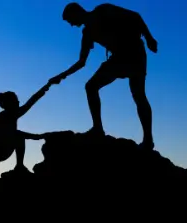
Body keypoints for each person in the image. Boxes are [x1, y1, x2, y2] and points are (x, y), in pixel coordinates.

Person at [49, 2, 158, 149]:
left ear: (76, 13)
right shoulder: (87, 33)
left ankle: (147, 140)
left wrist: (149, 38)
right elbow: (81, 62)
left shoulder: (103, 10)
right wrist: (61, 76)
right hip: (118, 58)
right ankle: (98, 129)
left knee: (138, 94)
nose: (71, 25)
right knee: (91, 87)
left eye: (70, 20)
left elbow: (135, 17)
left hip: (134, 52)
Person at [0, 83, 52, 189]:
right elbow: (15, 133)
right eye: (16, 101)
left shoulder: (10, 115)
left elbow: (31, 101)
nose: (18, 102)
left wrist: (47, 86)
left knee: (19, 137)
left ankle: (19, 165)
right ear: (9, 104)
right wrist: (39, 136)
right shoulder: (4, 117)